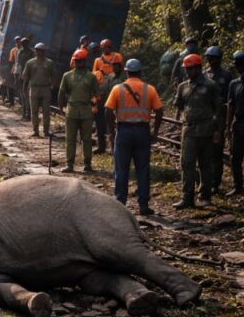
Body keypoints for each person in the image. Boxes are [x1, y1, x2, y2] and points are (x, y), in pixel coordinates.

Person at [105, 58, 163, 215]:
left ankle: (120, 203)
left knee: (121, 169)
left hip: (123, 132)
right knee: (143, 169)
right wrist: (155, 132)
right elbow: (159, 110)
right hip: (142, 132)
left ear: (126, 72)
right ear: (140, 72)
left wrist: (111, 132)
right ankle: (143, 205)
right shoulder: (149, 89)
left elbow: (108, 111)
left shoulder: (117, 89)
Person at [174, 53, 221, 208]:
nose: (188, 72)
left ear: (199, 68)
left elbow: (218, 109)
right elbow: (179, 104)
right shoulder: (183, 86)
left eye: (190, 69)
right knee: (187, 164)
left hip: (207, 130)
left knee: (205, 164)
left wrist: (217, 130)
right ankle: (187, 197)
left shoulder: (210, 85)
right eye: (186, 69)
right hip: (189, 130)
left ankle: (205, 195)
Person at [58, 49, 99, 172]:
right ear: (74, 61)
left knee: (86, 139)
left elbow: (97, 94)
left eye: (81, 61)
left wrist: (93, 106)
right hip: (71, 110)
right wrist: (61, 107)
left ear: (85, 61)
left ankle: (87, 164)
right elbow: (61, 93)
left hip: (86, 111)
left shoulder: (91, 77)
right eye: (77, 61)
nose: (79, 63)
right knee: (70, 138)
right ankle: (69, 164)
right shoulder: (67, 76)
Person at [204, 46, 233, 193]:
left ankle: (216, 182)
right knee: (204, 150)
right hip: (206, 116)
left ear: (219, 59)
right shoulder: (204, 75)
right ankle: (206, 182)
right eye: (209, 58)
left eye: (214, 58)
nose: (211, 61)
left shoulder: (227, 75)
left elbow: (230, 98)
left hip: (220, 116)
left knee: (217, 149)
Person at [22, 42, 56, 137]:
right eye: (37, 50)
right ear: (35, 51)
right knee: (34, 111)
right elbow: (26, 77)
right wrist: (24, 89)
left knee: (46, 111)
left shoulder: (49, 63)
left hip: (45, 88)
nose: (39, 52)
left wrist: (52, 86)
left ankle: (46, 131)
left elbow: (53, 76)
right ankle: (35, 131)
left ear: (44, 52)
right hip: (34, 88)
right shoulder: (30, 63)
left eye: (41, 51)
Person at [226, 50, 244, 197]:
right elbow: (231, 106)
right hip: (239, 125)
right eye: (237, 64)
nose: (239, 67)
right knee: (235, 157)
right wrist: (228, 126)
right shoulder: (234, 84)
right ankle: (238, 186)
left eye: (240, 64)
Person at [16, 37, 34, 120]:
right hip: (22, 76)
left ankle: (28, 114)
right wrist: (18, 75)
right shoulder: (20, 51)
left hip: (29, 76)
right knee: (23, 95)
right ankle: (24, 114)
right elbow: (18, 64)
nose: (24, 44)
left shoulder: (31, 52)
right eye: (23, 43)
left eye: (25, 43)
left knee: (27, 95)